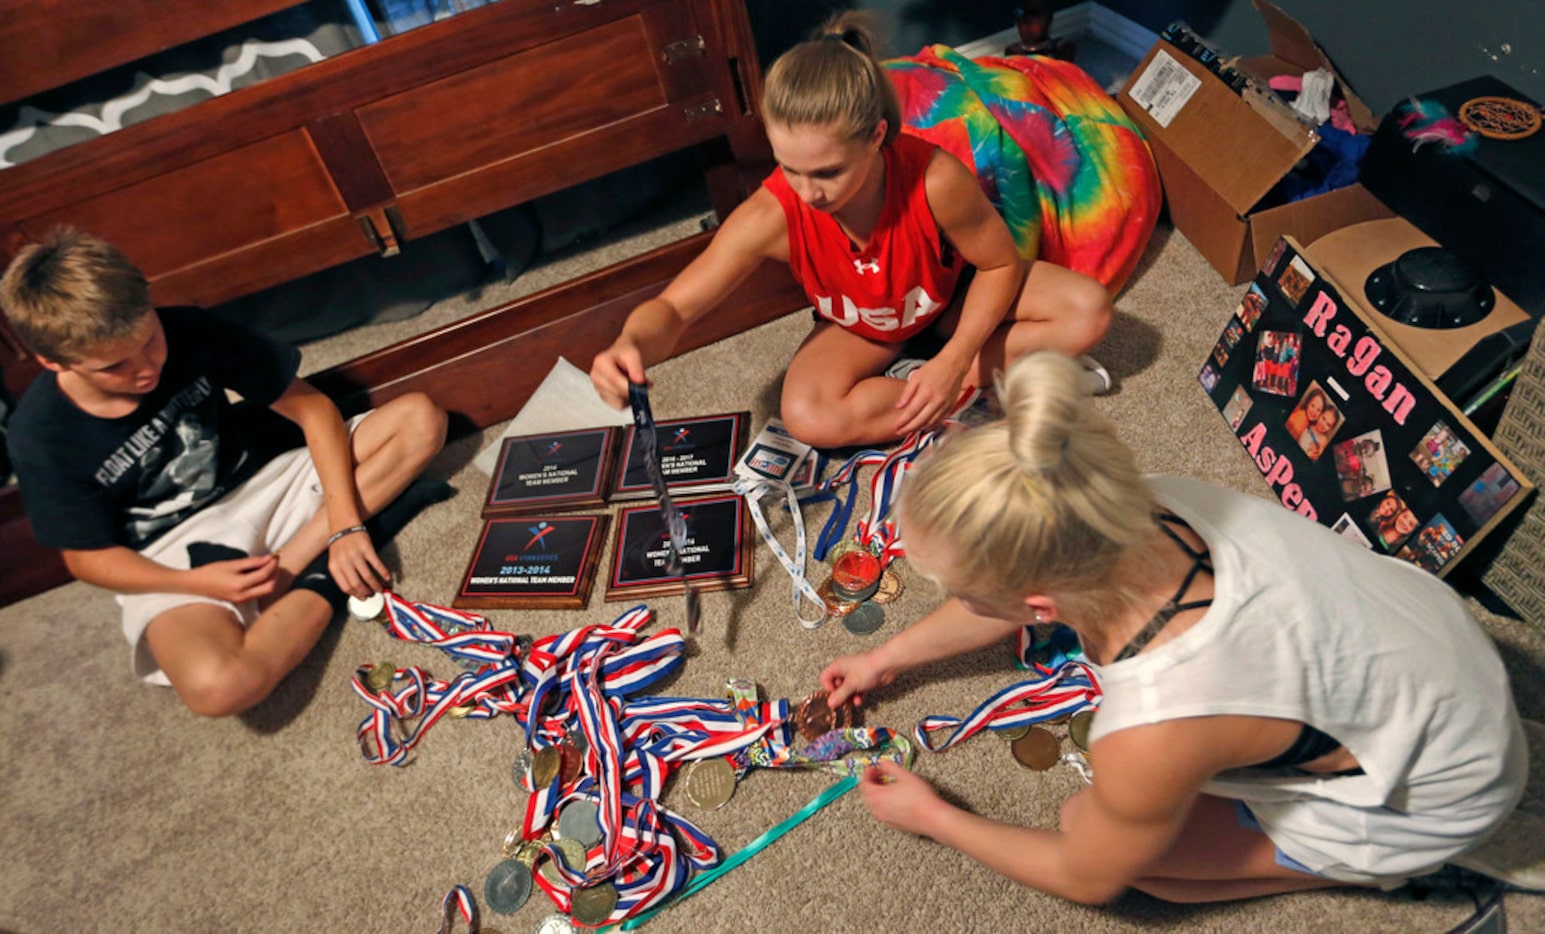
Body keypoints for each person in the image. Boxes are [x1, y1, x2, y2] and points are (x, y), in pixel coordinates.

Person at [818, 351, 1525, 904]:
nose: (955, 599)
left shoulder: (1155, 728)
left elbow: (1083, 877)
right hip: (1444, 661)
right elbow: (1002, 588)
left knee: (1115, 851)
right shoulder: (1147, 498)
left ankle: (1362, 870)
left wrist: (936, 818)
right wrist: (888, 657)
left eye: (960, 590)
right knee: (1121, 827)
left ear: (1037, 606)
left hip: (1443, 796)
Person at [589, 15, 1112, 448]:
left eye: (827, 172)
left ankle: (947, 383)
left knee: (1087, 310)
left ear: (876, 138)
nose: (807, 191)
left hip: (949, 300)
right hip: (863, 325)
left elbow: (1000, 264)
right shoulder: (771, 212)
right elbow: (677, 308)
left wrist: (955, 361)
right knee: (808, 416)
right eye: (789, 168)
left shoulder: (935, 178)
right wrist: (630, 342)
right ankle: (969, 386)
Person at [2, 228, 448, 717]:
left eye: (150, 339)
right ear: (52, 361)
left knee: (420, 420)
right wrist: (201, 586)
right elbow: (88, 559)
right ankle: (332, 571)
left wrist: (344, 524)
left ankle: (308, 557)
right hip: (171, 555)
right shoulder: (40, 434)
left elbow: (314, 411)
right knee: (219, 689)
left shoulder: (190, 328)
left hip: (264, 483)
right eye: (114, 367)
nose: (146, 368)